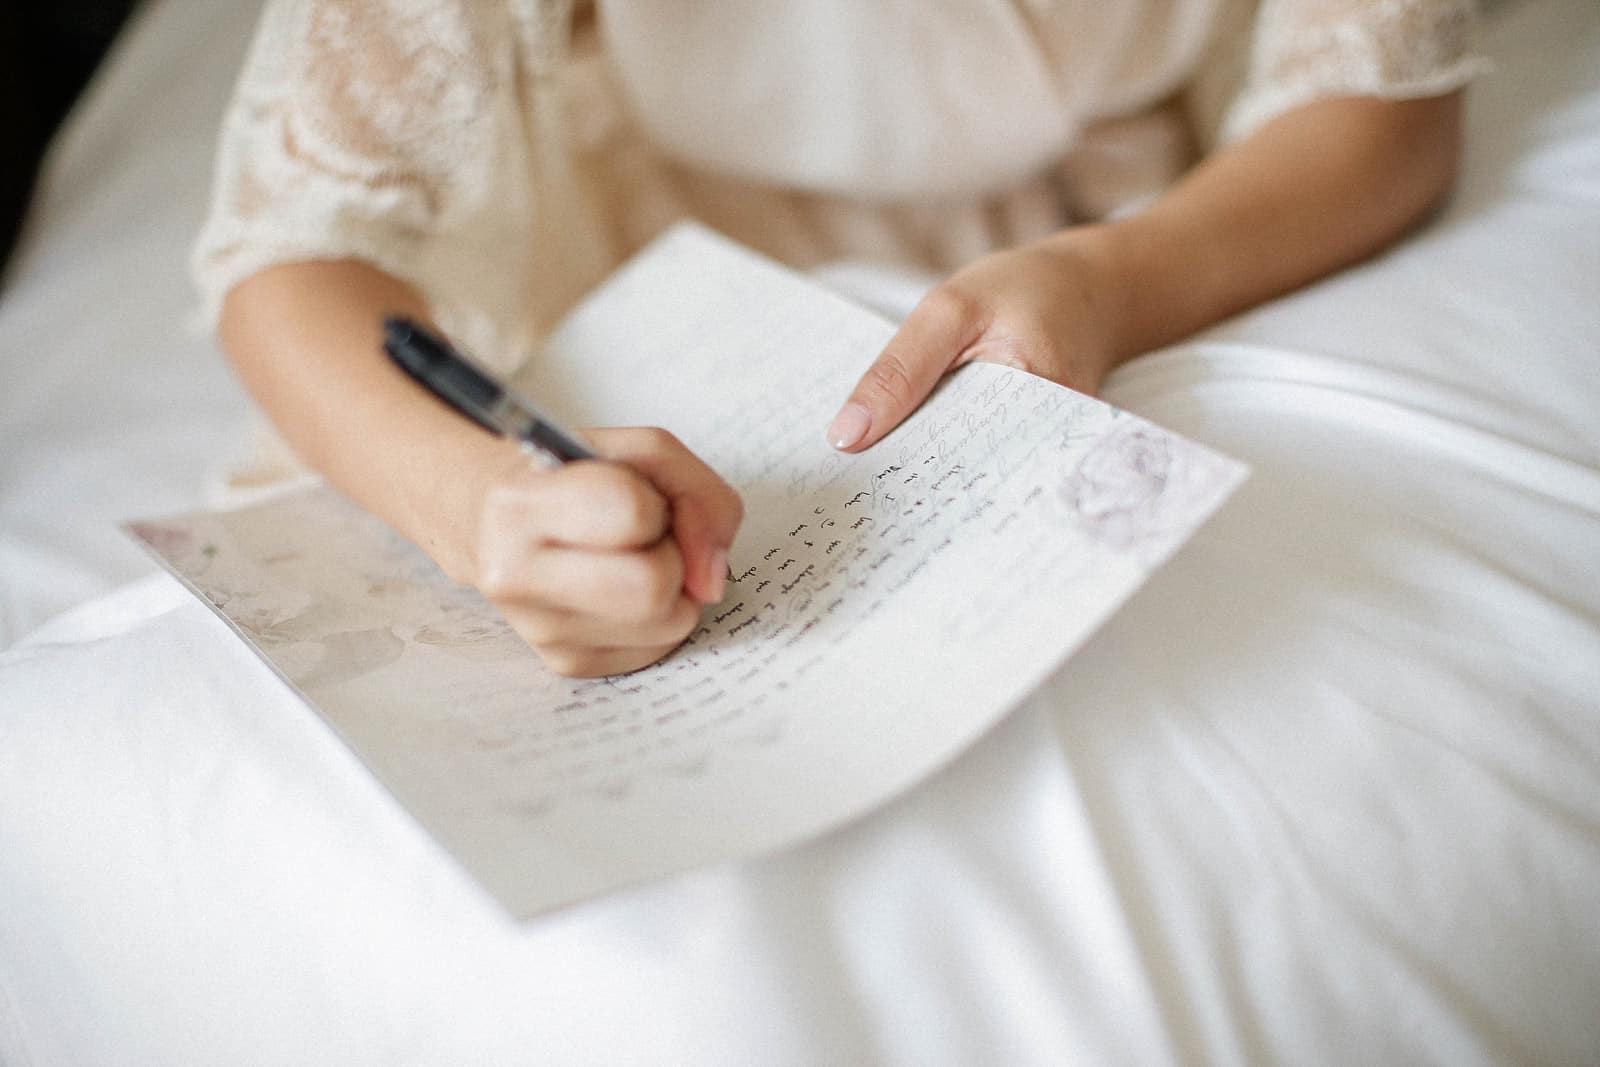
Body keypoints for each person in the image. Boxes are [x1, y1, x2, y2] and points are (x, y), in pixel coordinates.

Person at [195, 0, 1482, 677]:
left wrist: (1109, 278)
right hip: (679, 250)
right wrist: (481, 507)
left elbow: (1378, 106)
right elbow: (289, 259)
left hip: (1162, 225)